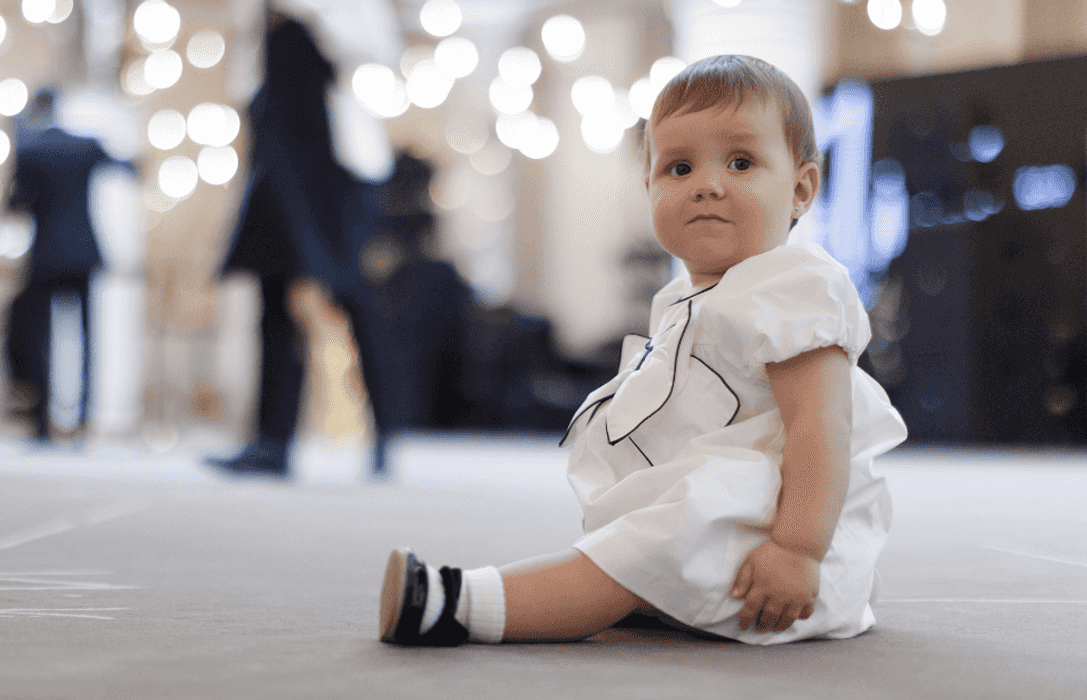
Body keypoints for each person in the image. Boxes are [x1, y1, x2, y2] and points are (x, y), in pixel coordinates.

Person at [378, 55, 907, 647]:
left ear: (802, 189)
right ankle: (632, 586)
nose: (707, 183)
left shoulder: (795, 284)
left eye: (741, 162)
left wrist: (797, 550)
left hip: (772, 549)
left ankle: (456, 605)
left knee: (638, 552)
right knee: (629, 549)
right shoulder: (684, 297)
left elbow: (820, 427)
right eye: (678, 167)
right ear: (649, 186)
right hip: (719, 509)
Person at [207, 17, 398, 479]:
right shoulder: (270, 26)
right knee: (276, 304)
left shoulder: (324, 21)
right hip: (286, 169)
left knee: (349, 300)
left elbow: (376, 53)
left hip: (328, 171)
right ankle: (272, 441)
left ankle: (383, 433)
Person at [5, 87, 134, 442]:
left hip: (45, 255)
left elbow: (14, 204)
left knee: (41, 339)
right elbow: (130, 167)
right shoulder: (86, 146)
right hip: (83, 253)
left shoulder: (31, 150)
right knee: (87, 340)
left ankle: (43, 426)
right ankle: (84, 421)